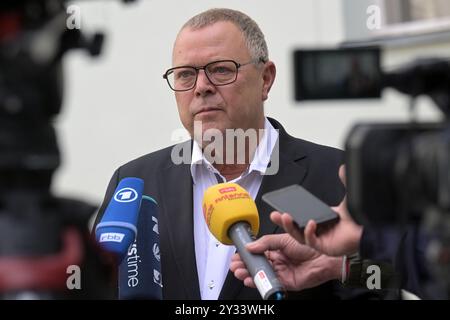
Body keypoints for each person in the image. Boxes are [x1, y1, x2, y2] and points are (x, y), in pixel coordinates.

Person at [95, 8, 348, 300]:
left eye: (220, 70)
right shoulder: (134, 183)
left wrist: (340, 266)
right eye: (185, 75)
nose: (202, 87)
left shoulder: (335, 175)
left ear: (265, 79)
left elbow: (376, 285)